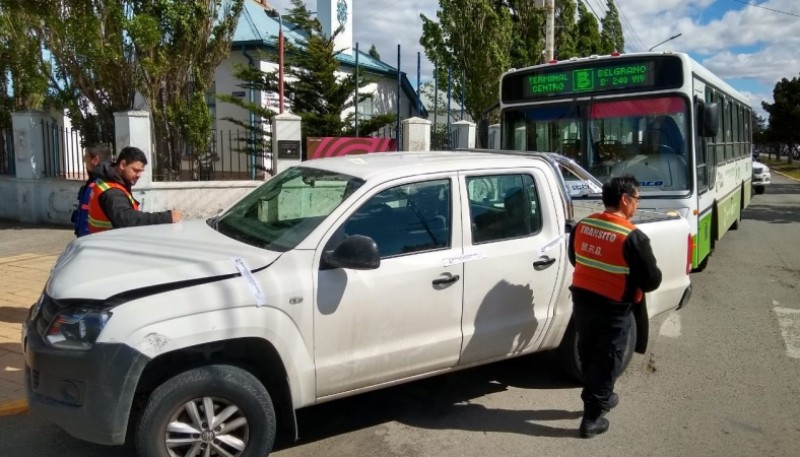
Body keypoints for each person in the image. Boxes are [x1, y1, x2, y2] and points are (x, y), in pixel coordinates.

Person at [567, 174, 662, 438]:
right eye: (637, 199)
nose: (638, 205)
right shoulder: (633, 237)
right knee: (608, 358)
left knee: (587, 351)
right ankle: (592, 418)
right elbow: (652, 280)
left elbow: (576, 259)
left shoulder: (582, 226)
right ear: (624, 199)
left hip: (583, 301)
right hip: (614, 307)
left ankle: (599, 396)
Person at [84, 146, 181, 234]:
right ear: (122, 165)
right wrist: (165, 217)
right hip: (108, 245)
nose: (139, 175)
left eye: (141, 171)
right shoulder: (112, 191)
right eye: (135, 170)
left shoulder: (112, 181)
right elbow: (126, 218)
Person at [72, 146, 112, 237]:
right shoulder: (94, 182)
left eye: (86, 157)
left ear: (95, 159)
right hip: (88, 238)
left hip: (97, 240)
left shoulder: (102, 184)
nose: (83, 161)